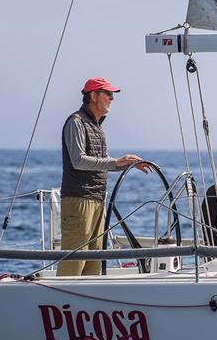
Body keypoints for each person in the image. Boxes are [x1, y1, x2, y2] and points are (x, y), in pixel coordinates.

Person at [57, 76, 150, 276]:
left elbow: (101, 163)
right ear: (93, 95)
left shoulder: (97, 126)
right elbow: (78, 161)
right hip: (79, 199)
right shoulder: (76, 122)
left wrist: (127, 164)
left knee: (94, 260)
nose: (112, 99)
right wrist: (116, 162)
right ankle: (61, 304)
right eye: (108, 94)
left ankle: (86, 305)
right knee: (74, 259)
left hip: (97, 199)